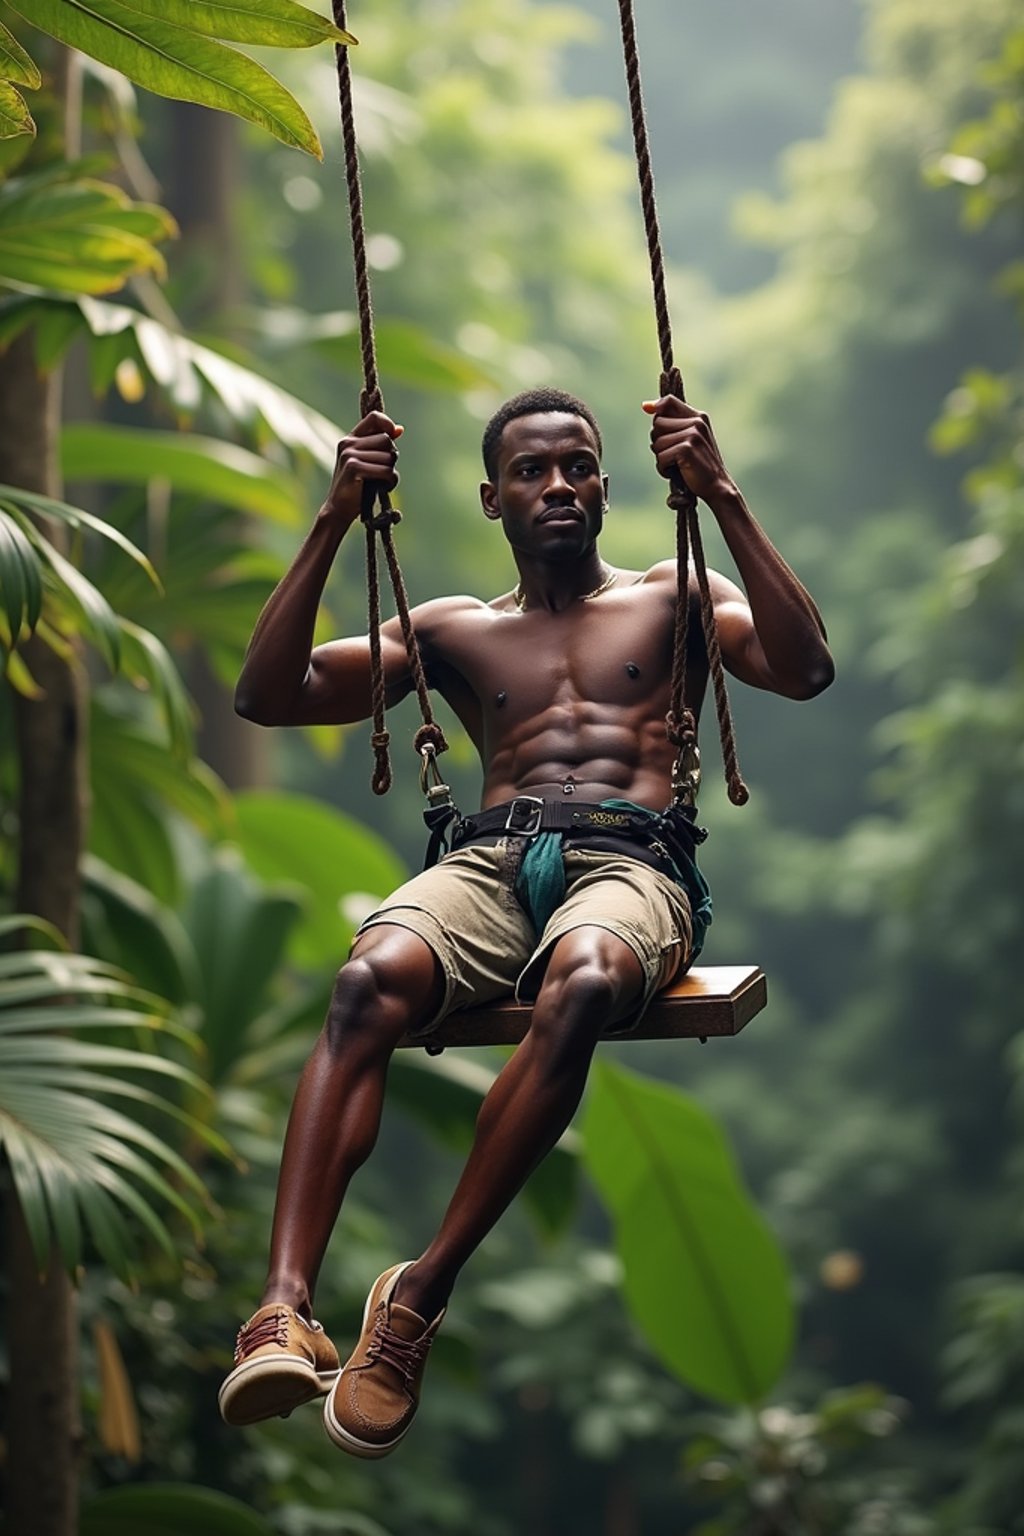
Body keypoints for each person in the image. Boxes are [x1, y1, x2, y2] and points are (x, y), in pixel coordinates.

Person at [218, 388, 833, 1457]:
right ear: (492, 495)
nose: (559, 486)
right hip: (489, 863)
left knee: (586, 977)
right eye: (534, 471)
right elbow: (271, 695)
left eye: (579, 467)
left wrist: (721, 494)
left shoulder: (673, 593)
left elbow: (803, 667)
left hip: (629, 861)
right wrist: (332, 517)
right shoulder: (456, 628)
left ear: (606, 482)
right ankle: (281, 1308)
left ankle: (416, 1297)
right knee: (368, 981)